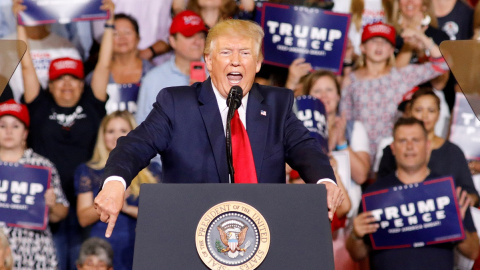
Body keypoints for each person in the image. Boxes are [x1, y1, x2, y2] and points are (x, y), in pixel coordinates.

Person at [94, 19, 343, 238]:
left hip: (263, 237)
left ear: (257, 63)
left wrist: (325, 180)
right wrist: (115, 183)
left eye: (245, 53)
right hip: (192, 236)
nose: (236, 61)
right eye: (226, 52)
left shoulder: (278, 104)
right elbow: (136, 145)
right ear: (209, 61)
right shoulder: (176, 104)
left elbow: (305, 148)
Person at [13, 1, 113, 268]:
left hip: (88, 201)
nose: (67, 84)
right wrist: (21, 23)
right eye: (60, 78)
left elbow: (103, 65)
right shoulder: (39, 104)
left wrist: (109, 23)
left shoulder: (93, 102)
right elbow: (25, 66)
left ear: (83, 83)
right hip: (48, 201)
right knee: (53, 262)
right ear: (51, 83)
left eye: (73, 78)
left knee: (87, 263)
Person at [346, 117, 479, 269]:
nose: (409, 146)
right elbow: (357, 254)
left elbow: (473, 252)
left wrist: (458, 226)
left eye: (416, 140)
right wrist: (356, 234)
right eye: (402, 141)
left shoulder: (447, 191)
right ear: (393, 148)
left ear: (428, 146)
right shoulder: (375, 194)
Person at [340, 22, 449, 166]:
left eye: (385, 42)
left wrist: (421, 36)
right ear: (362, 48)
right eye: (373, 41)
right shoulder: (351, 81)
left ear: (392, 49)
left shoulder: (402, 75)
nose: (379, 46)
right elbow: (344, 120)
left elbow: (442, 64)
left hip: (393, 156)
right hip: (360, 156)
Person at [75, 111, 157, 270]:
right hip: (102, 251)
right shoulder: (87, 171)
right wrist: (108, 200)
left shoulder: (153, 172)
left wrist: (127, 208)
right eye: (111, 131)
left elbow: (160, 216)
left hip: (141, 246)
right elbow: (83, 218)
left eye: (123, 130)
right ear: (103, 135)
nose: (117, 136)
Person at [377, 87, 479, 205]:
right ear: (410, 111)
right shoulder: (393, 150)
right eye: (419, 110)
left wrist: (463, 201)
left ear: (438, 114)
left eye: (431, 110)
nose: (425, 116)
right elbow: (380, 193)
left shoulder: (453, 152)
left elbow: (472, 194)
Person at [0, 99, 69, 268]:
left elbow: (60, 213)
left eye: (15, 126)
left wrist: (51, 205)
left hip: (35, 253)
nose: (8, 131)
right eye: (2, 126)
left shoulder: (42, 166)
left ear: (25, 132)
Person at [135, 10, 208, 124]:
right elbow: (142, 126)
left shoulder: (217, 71)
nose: (197, 42)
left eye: (201, 36)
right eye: (189, 36)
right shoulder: (154, 79)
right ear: (172, 41)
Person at [86, 13, 154, 115]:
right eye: (115, 34)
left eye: (127, 32)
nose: (122, 37)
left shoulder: (153, 74)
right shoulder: (94, 78)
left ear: (138, 38)